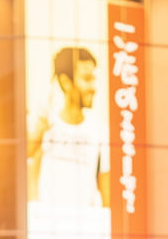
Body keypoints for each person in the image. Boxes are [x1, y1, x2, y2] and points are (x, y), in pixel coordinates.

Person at [28, 46, 110, 209]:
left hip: (88, 226)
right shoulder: (46, 124)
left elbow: (105, 182)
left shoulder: (99, 130)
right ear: (66, 82)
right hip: (49, 225)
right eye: (87, 79)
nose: (93, 87)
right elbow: (27, 167)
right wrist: (39, 133)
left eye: (94, 79)